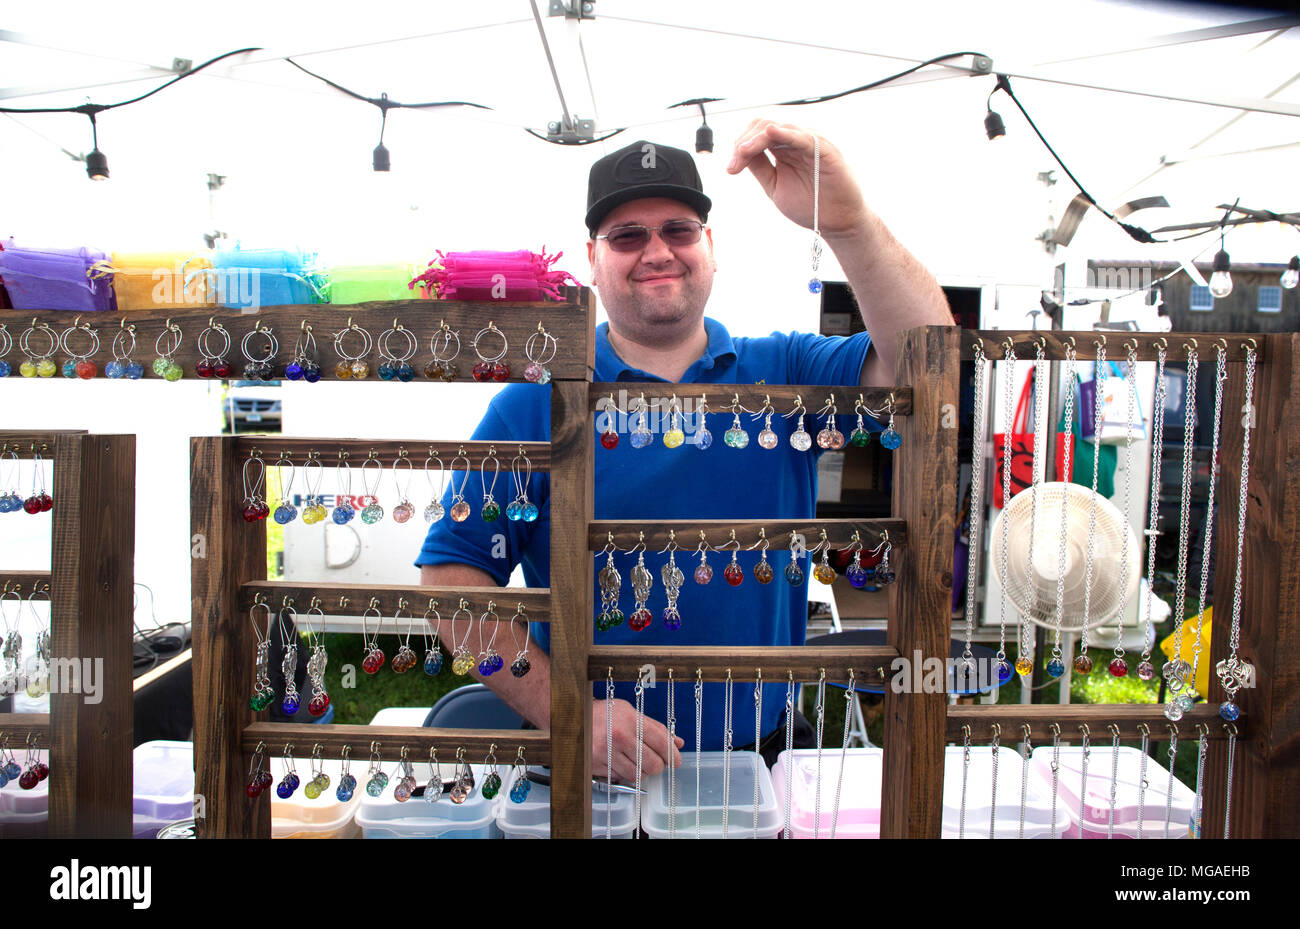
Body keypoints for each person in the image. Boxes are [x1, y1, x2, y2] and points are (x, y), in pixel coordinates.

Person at [416, 121, 953, 783]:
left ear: (710, 246)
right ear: (592, 258)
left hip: (758, 769)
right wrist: (565, 711)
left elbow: (929, 366)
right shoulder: (532, 405)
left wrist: (847, 224)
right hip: (588, 784)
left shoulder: (785, 369)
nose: (657, 251)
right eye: (627, 236)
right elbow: (450, 587)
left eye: (678, 229)